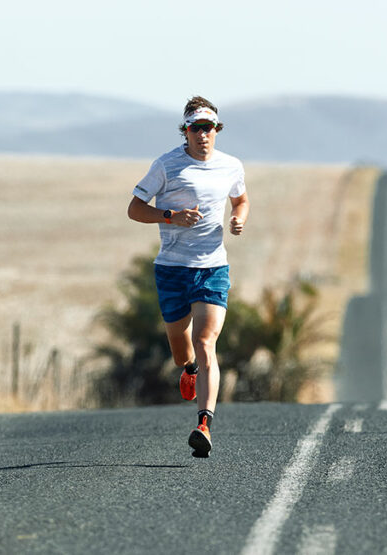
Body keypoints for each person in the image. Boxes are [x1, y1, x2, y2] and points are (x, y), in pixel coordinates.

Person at [127, 96, 249, 458]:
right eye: (196, 128)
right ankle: (189, 370)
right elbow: (134, 209)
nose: (202, 135)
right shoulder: (166, 165)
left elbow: (241, 199)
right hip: (172, 269)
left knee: (206, 341)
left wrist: (239, 217)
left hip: (212, 267)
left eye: (208, 128)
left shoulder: (231, 166)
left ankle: (204, 423)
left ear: (217, 130)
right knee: (183, 353)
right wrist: (170, 216)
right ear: (186, 131)